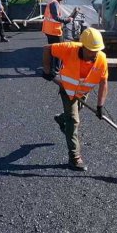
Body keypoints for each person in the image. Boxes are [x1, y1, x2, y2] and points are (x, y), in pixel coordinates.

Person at [42, 28, 109, 171]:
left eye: (96, 50)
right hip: (67, 90)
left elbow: (104, 83)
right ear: (82, 46)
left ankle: (61, 119)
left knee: (75, 112)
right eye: (91, 50)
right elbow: (47, 48)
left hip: (83, 92)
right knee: (73, 120)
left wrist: (100, 106)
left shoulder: (101, 59)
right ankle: (74, 158)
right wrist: (47, 70)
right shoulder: (70, 49)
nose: (94, 54)